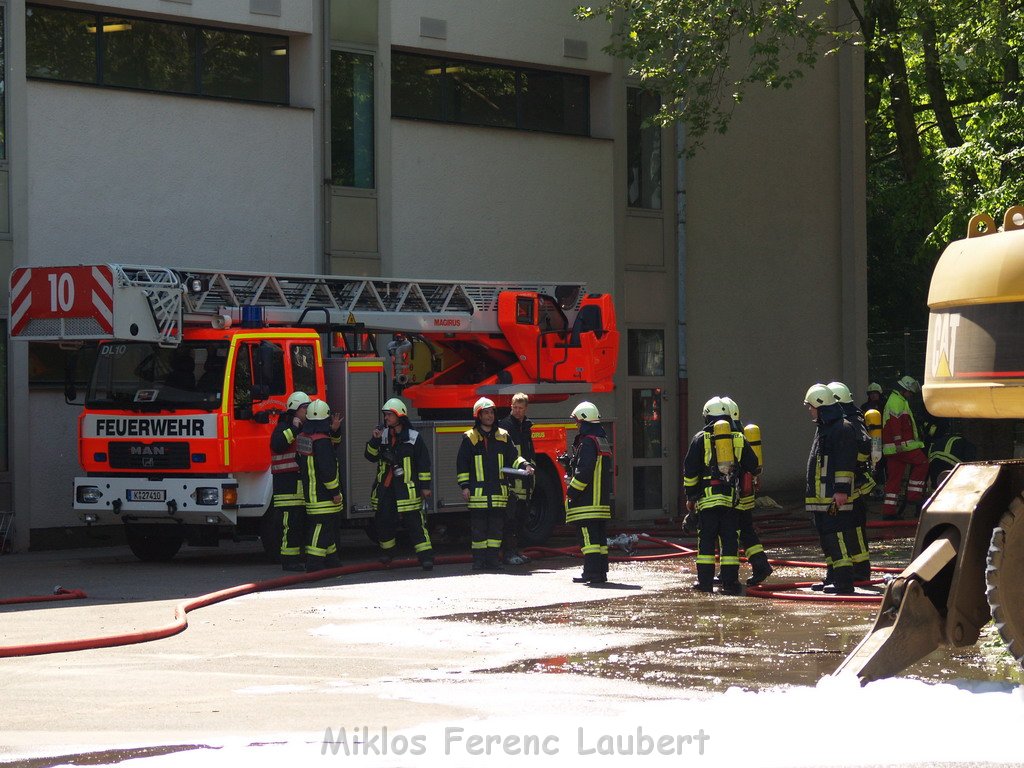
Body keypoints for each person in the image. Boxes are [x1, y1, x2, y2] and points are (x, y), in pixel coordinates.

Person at [683, 396, 758, 595]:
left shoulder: (700, 438)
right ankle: (730, 583)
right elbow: (754, 466)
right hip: (730, 501)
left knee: (706, 542)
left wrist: (690, 498)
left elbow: (690, 471)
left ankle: (705, 583)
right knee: (729, 542)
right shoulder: (738, 438)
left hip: (707, 501)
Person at [457, 397, 533, 571]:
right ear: (478, 415)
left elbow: (513, 457)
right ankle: (478, 562)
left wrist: (525, 465)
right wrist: (465, 486)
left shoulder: (503, 436)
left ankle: (492, 561)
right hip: (478, 493)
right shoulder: (470, 438)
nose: (489, 416)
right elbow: (462, 464)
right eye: (485, 412)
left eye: (491, 412)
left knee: (496, 531)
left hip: (498, 493)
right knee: (478, 531)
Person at [365, 397, 434, 570]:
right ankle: (388, 553)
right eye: (385, 415)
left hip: (407, 488)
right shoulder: (383, 435)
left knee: (415, 524)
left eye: (389, 415)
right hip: (386, 488)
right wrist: (374, 440)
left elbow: (423, 463)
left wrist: (425, 487)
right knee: (384, 521)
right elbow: (370, 456)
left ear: (399, 415)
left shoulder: (413, 437)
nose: (386, 418)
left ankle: (426, 557)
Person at [804, 383, 859, 594]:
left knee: (836, 536)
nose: (810, 410)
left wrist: (841, 490)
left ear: (821, 405)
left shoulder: (841, 428)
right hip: (821, 497)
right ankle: (832, 576)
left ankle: (844, 581)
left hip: (833, 497)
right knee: (826, 537)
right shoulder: (825, 427)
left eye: (811, 406)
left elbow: (845, 461)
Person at [719, 396, 772, 586]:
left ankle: (734, 572)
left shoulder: (727, 436)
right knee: (746, 530)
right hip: (746, 493)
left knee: (730, 533)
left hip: (733, 496)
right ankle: (760, 565)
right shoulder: (742, 433)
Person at [828, 381, 874, 583]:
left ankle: (861, 570)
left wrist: (851, 466)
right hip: (853, 484)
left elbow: (863, 449)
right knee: (850, 526)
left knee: (854, 527)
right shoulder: (853, 419)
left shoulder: (850, 423)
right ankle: (856, 569)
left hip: (853, 486)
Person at [565, 401, 614, 584]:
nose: (577, 425)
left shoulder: (587, 442)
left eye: (578, 422)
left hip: (586, 503)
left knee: (589, 540)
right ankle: (600, 572)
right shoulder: (601, 440)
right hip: (600, 502)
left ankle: (591, 573)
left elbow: (584, 472)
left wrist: (571, 492)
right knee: (599, 541)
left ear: (584, 420)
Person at [296, 399, 343, 572]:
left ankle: (332, 560)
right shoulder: (322, 441)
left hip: (310, 492)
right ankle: (314, 563)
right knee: (322, 526)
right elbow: (327, 470)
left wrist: (335, 431)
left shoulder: (304, 438)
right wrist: (335, 492)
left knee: (326, 527)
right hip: (323, 495)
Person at [272, 391, 310, 572]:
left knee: (300, 525)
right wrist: (294, 429)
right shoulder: (283, 427)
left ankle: (299, 558)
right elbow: (277, 444)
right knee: (290, 526)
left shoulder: (306, 427)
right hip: (286, 488)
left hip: (300, 486)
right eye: (305, 408)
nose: (307, 411)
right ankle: (288, 560)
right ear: (295, 409)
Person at [881, 375, 929, 520]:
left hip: (892, 449)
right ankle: (914, 495)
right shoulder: (897, 401)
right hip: (902, 447)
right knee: (923, 463)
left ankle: (888, 512)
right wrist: (898, 443)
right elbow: (896, 424)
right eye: (910, 392)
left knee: (894, 479)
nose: (911, 395)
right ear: (905, 390)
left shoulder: (896, 399)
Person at [498, 393, 535, 565]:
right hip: (512, 480)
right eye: (514, 407)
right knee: (510, 520)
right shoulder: (504, 426)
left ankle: (517, 551)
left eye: (520, 408)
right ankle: (508, 553)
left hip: (525, 480)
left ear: (525, 409)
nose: (517, 411)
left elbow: (529, 451)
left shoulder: (526, 426)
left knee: (521, 518)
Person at [925, 419, 977, 491]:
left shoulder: (941, 440)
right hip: (950, 462)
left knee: (936, 485)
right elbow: (970, 465)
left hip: (934, 460)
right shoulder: (966, 444)